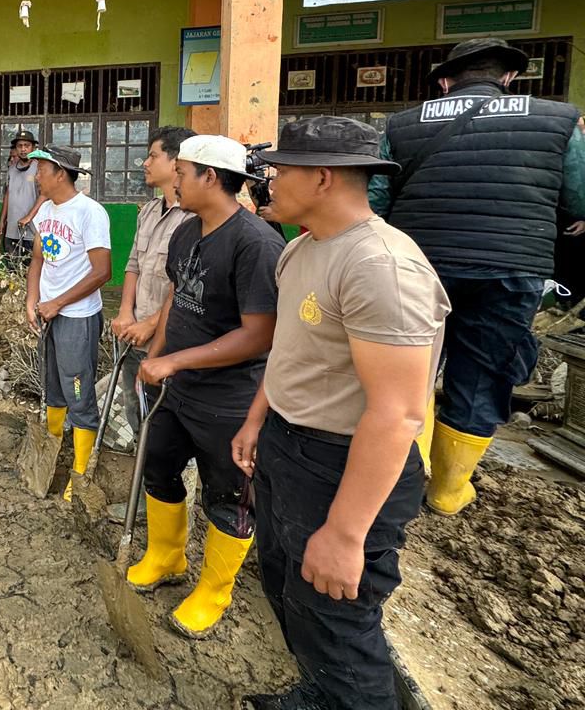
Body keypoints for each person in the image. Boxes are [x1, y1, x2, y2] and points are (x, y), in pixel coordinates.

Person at [233, 117, 450, 710]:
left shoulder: (380, 267)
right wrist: (258, 420)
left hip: (342, 463)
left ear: (322, 178)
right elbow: (289, 353)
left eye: (280, 171)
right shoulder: (301, 249)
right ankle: (317, 693)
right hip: (289, 445)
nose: (267, 180)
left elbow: (398, 413)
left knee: (337, 620)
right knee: (288, 591)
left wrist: (347, 533)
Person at [370, 37, 585, 515]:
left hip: (419, 266)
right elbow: (579, 198)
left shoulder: (403, 124)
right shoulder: (559, 119)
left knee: (408, 371)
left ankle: (401, 476)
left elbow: (378, 202)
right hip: (509, 268)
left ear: (446, 80)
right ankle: (447, 490)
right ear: (508, 77)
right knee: (483, 374)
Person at [128, 135, 283, 639]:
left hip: (229, 399)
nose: (174, 177)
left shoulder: (255, 244)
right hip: (175, 388)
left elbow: (259, 333)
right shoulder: (188, 229)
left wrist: (174, 361)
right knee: (159, 468)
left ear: (210, 178)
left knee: (227, 494)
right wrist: (153, 359)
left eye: (183, 171)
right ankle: (166, 556)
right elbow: (177, 294)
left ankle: (214, 591)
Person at [23, 145, 111, 501]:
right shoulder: (45, 210)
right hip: (48, 314)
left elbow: (102, 271)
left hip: (76, 317)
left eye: (41, 169)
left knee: (78, 394)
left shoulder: (90, 213)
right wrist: (32, 301)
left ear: (60, 173)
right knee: (53, 387)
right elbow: (38, 260)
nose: (35, 176)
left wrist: (58, 302)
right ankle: (52, 453)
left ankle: (80, 472)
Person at [110, 126, 196, 441]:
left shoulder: (192, 219)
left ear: (176, 162)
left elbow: (186, 284)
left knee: (163, 417)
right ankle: (141, 460)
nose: (145, 163)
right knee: (134, 402)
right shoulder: (147, 211)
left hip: (167, 338)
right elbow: (133, 264)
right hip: (132, 334)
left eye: (152, 156)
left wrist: (152, 323)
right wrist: (124, 312)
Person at [0, 130, 46, 262]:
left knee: (30, 269)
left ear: (33, 148)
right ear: (16, 148)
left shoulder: (39, 168)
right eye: (20, 146)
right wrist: (2, 220)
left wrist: (29, 217)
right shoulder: (11, 169)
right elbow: (8, 194)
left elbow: (45, 195)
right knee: (12, 269)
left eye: (27, 145)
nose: (23, 149)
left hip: (32, 230)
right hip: (12, 228)